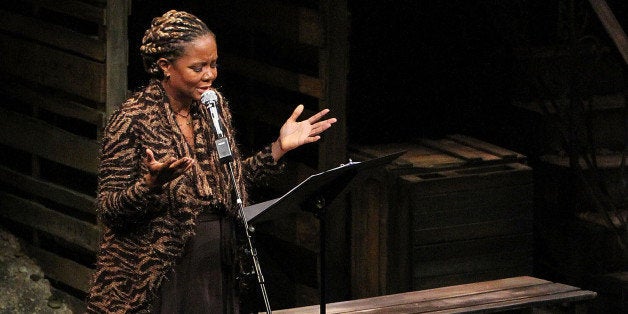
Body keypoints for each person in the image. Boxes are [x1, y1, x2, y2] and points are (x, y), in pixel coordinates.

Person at [86, 9, 336, 313]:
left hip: (216, 264)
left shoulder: (212, 109)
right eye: (198, 67)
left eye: (213, 64)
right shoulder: (132, 120)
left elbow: (231, 179)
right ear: (165, 66)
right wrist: (148, 186)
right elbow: (109, 209)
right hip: (160, 273)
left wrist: (279, 148)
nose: (210, 74)